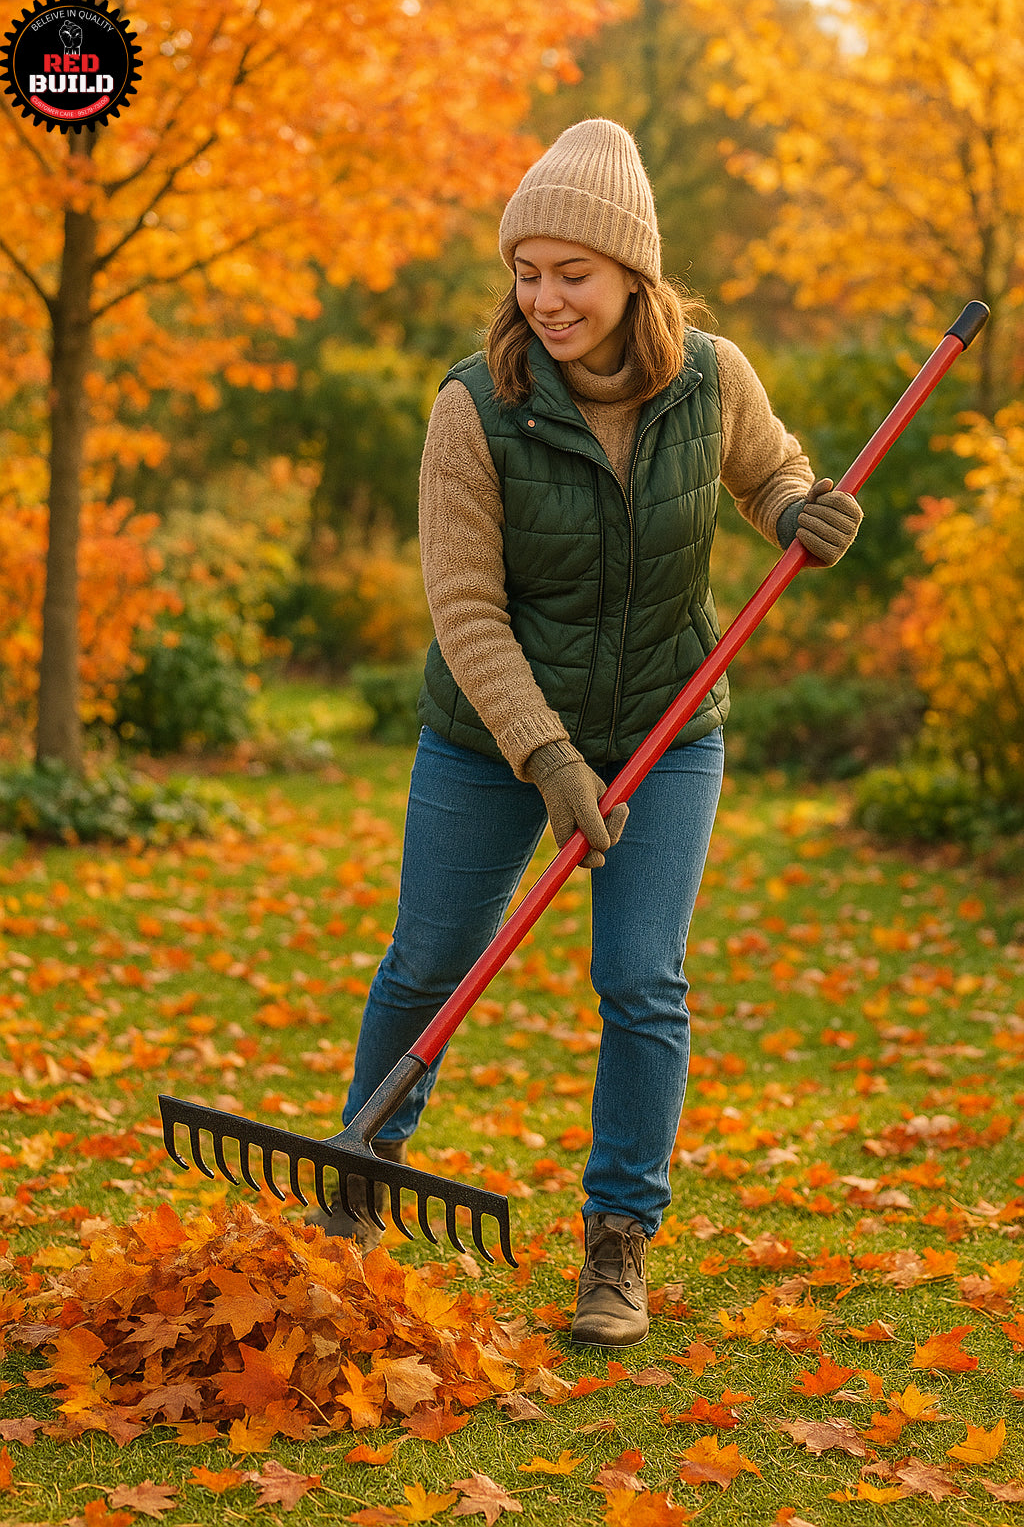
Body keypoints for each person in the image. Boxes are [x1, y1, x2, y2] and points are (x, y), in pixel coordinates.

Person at [312, 119, 862, 1347]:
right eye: (526, 271)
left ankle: (617, 1244)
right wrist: (548, 754)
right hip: (490, 737)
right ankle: (359, 1173)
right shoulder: (475, 407)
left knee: (641, 981)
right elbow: (463, 606)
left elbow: (771, 469)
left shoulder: (711, 376)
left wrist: (796, 513)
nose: (545, 299)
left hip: (669, 728)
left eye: (573, 272)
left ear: (632, 276)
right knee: (428, 961)